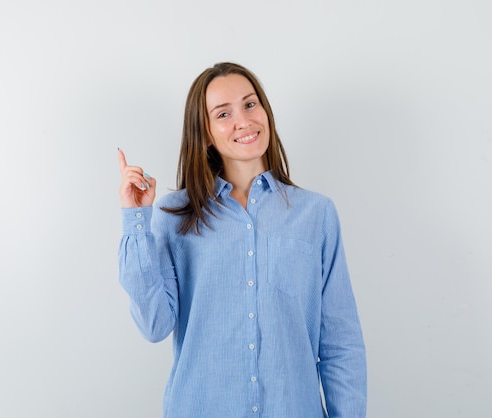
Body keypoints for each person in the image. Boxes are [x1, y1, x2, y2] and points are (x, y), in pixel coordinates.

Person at [117, 62, 366, 418]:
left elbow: (341, 343)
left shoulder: (317, 214)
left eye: (250, 104)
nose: (243, 121)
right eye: (223, 113)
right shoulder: (175, 215)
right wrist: (135, 221)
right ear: (204, 133)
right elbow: (154, 325)